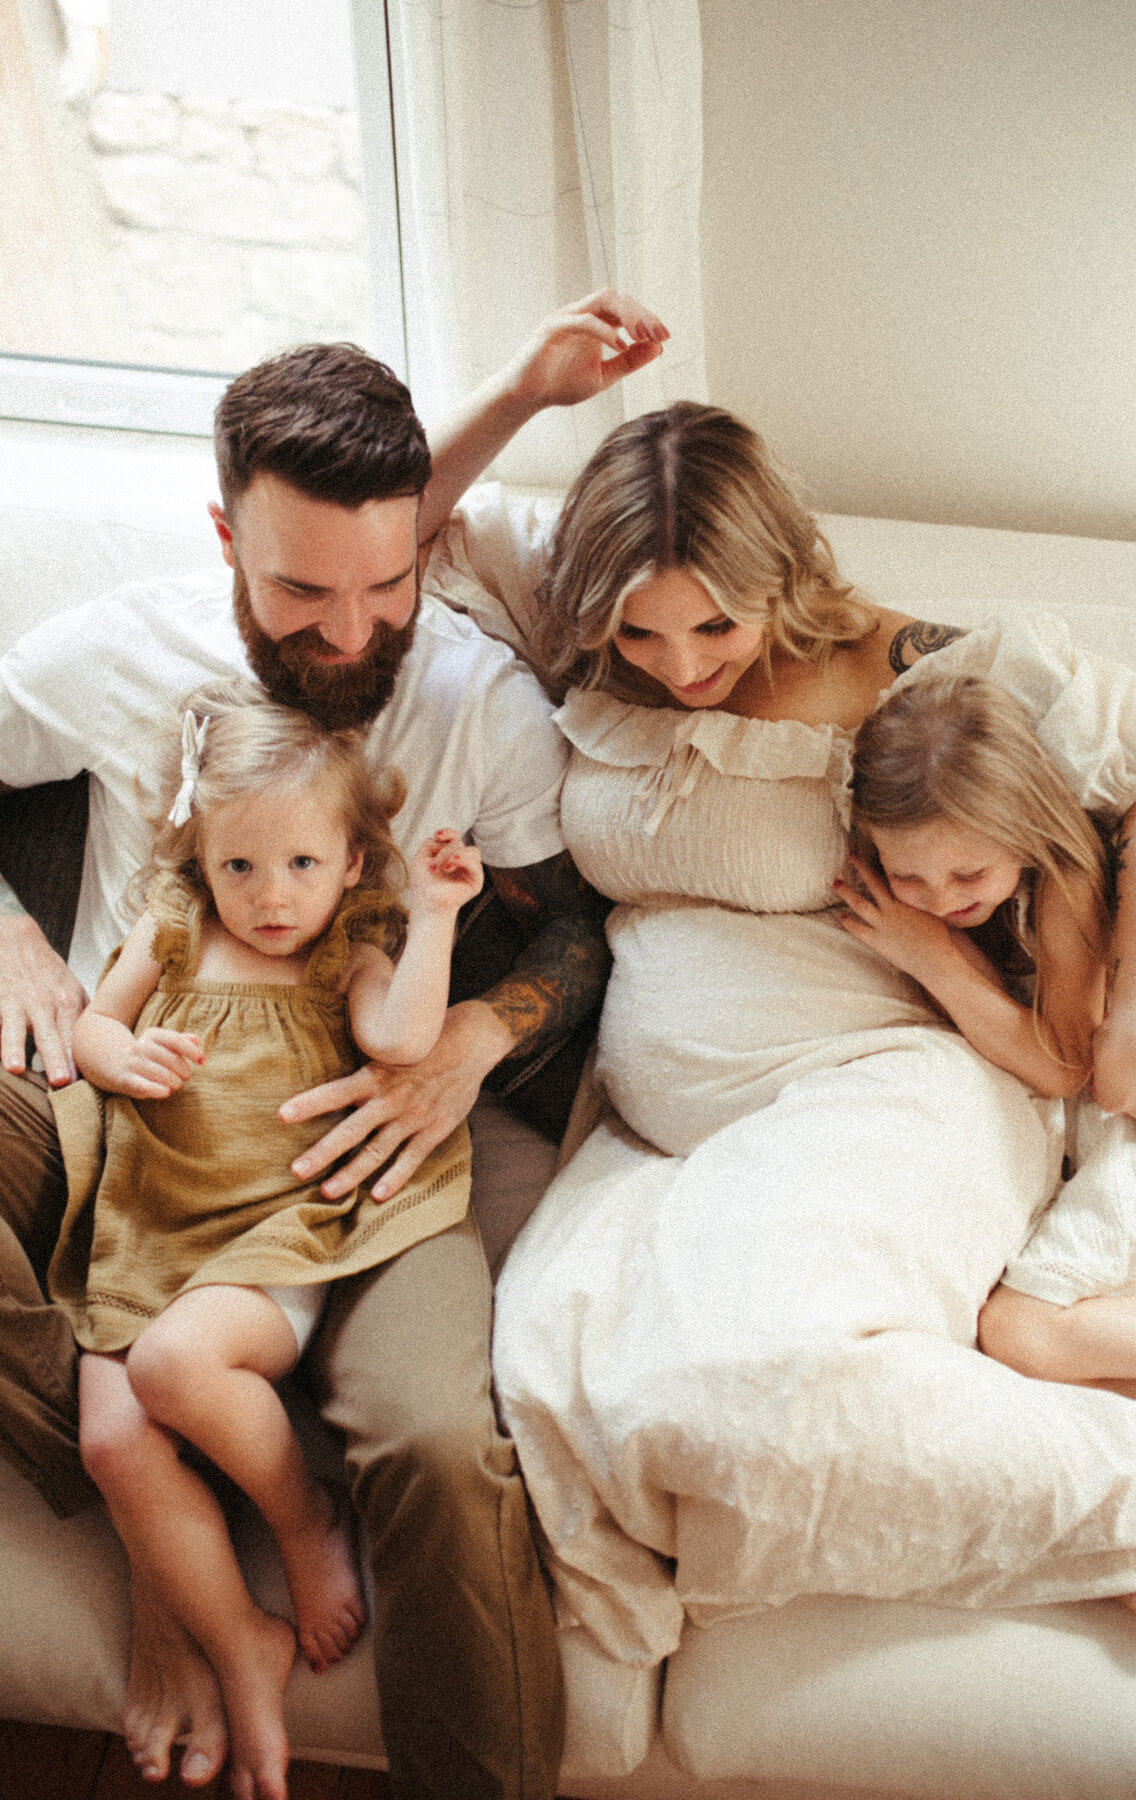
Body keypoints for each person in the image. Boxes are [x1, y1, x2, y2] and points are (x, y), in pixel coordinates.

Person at [0, 290, 667, 1797]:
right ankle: (170, 1554)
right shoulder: (119, 654)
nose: (354, 633)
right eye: (306, 593)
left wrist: (474, 1041)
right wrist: (16, 936)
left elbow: (575, 928)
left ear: (419, 545)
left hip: (362, 1152)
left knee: (440, 1446)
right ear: (227, 536)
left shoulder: (473, 702)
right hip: (131, 1121)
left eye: (389, 589)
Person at [481, 400, 1136, 1673]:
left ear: (782, 572)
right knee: (562, 1402)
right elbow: (390, 531)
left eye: (716, 622)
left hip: (887, 1082)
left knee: (741, 1390)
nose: (681, 662)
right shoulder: (591, 640)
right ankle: (1082, 1505)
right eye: (638, 628)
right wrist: (529, 386)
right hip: (661, 1141)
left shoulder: (908, 665)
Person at [54, 681, 486, 1800]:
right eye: (240, 866)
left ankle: (306, 1518)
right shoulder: (176, 923)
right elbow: (99, 1018)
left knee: (175, 1366)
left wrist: (434, 916)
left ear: (351, 864)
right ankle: (243, 1641)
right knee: (111, 1443)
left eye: (301, 864)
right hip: (152, 1227)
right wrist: (118, 1057)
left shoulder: (350, 945)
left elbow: (400, 1037)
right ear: (202, 858)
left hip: (273, 1239)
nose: (270, 896)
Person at [840, 670, 1136, 1646]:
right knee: (1053, 1360)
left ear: (1024, 831)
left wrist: (930, 957)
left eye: (968, 877)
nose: (939, 898)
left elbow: (1067, 1058)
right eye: (909, 877)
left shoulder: (1064, 874)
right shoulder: (953, 872)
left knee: (1023, 1332)